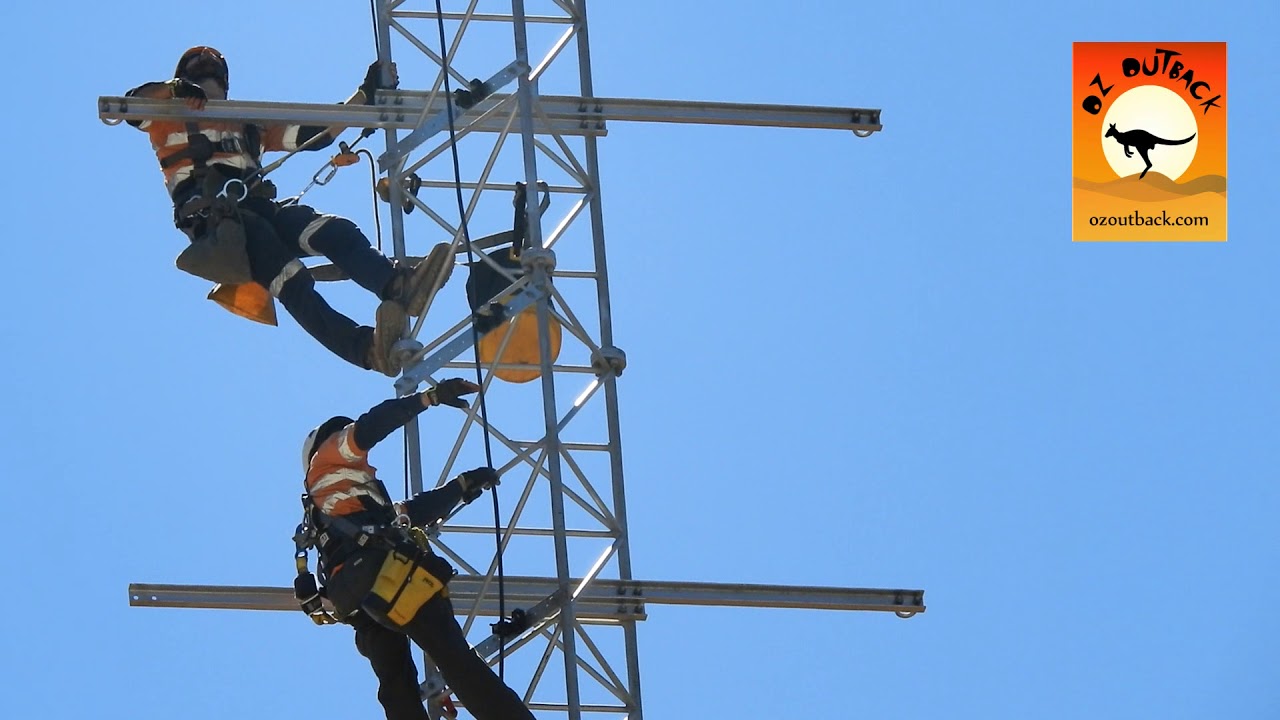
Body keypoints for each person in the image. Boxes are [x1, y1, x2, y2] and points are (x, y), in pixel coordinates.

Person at [124, 46, 451, 376]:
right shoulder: (166, 115)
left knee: (335, 232)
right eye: (197, 63)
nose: (205, 64)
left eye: (210, 62)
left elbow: (317, 133)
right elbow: (131, 107)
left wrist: (365, 94)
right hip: (221, 223)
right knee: (292, 280)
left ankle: (397, 285)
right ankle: (365, 349)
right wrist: (176, 89)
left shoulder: (248, 121)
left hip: (260, 209)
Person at [295, 378, 537, 720]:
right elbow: (370, 426)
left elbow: (409, 514)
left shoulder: (336, 507)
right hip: (381, 574)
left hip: (355, 595)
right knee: (452, 655)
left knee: (396, 686)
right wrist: (429, 397)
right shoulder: (330, 459)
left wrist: (460, 488)